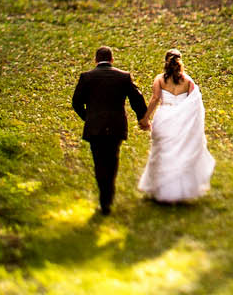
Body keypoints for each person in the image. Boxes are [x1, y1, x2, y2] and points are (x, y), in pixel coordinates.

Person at [70, 45, 148, 215]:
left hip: (95, 127)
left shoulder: (86, 77)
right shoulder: (123, 76)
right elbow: (137, 98)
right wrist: (142, 117)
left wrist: (88, 117)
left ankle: (103, 199)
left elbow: (76, 102)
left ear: (95, 60)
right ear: (112, 59)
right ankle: (109, 196)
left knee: (99, 161)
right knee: (112, 159)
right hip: (115, 126)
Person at [137, 48, 216, 203]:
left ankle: (160, 190)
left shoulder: (160, 79)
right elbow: (195, 103)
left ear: (165, 61)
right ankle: (178, 191)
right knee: (179, 152)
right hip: (182, 121)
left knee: (162, 151)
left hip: (164, 118)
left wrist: (145, 118)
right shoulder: (188, 81)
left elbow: (155, 99)